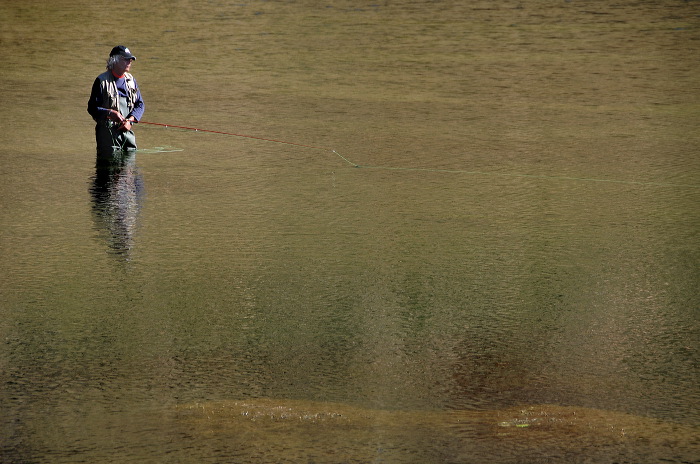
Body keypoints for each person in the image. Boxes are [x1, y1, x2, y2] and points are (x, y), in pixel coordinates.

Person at [87, 46, 145, 155]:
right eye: (126, 59)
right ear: (114, 60)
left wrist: (130, 121)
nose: (129, 62)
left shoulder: (131, 80)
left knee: (130, 169)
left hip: (127, 135)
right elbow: (92, 108)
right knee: (108, 170)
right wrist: (110, 113)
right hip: (107, 138)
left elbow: (140, 105)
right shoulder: (101, 81)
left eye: (130, 59)